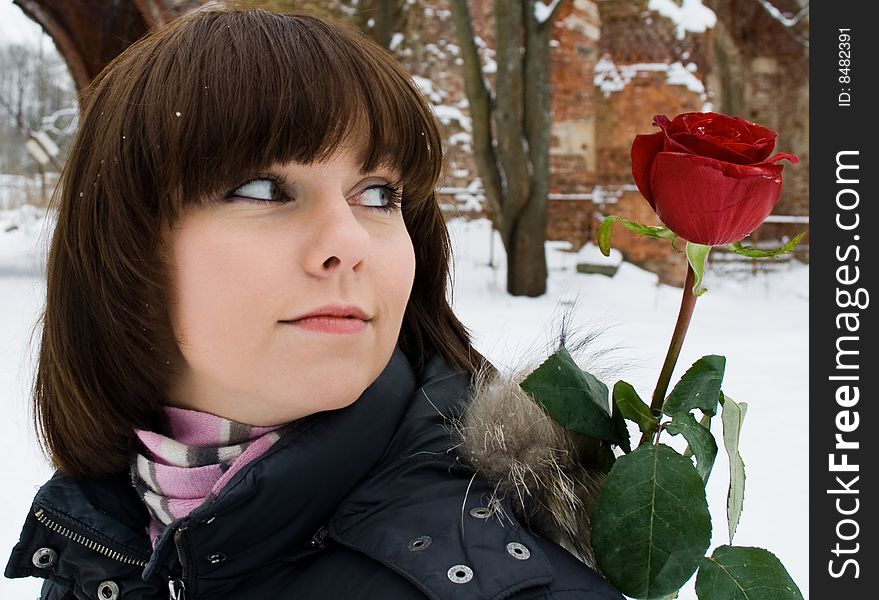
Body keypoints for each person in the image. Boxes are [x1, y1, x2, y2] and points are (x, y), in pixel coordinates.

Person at [4, 7, 623, 600]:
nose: (349, 242)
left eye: (378, 194)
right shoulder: (100, 537)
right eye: (263, 188)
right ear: (123, 246)